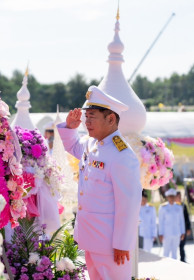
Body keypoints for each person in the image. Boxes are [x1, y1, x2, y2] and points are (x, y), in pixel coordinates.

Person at [57, 85, 142, 279]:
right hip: (90, 238)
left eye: (92, 117)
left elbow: (128, 204)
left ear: (110, 119)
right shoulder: (92, 143)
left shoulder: (122, 155)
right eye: (86, 117)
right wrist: (70, 127)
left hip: (111, 245)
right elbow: (73, 146)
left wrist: (121, 243)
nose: (86, 122)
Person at [158, 188, 185, 260]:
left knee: (174, 253)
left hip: (176, 232)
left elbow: (181, 221)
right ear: (167, 197)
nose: (171, 198)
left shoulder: (179, 207)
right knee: (166, 252)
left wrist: (183, 232)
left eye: (173, 196)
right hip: (167, 233)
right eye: (170, 196)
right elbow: (161, 222)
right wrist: (160, 233)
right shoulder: (163, 207)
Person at [176, 191, 191, 262]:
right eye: (177, 197)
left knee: (182, 245)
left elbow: (187, 218)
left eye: (180, 197)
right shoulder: (174, 206)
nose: (179, 198)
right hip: (175, 229)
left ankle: (183, 258)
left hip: (182, 229)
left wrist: (188, 228)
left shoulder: (183, 206)